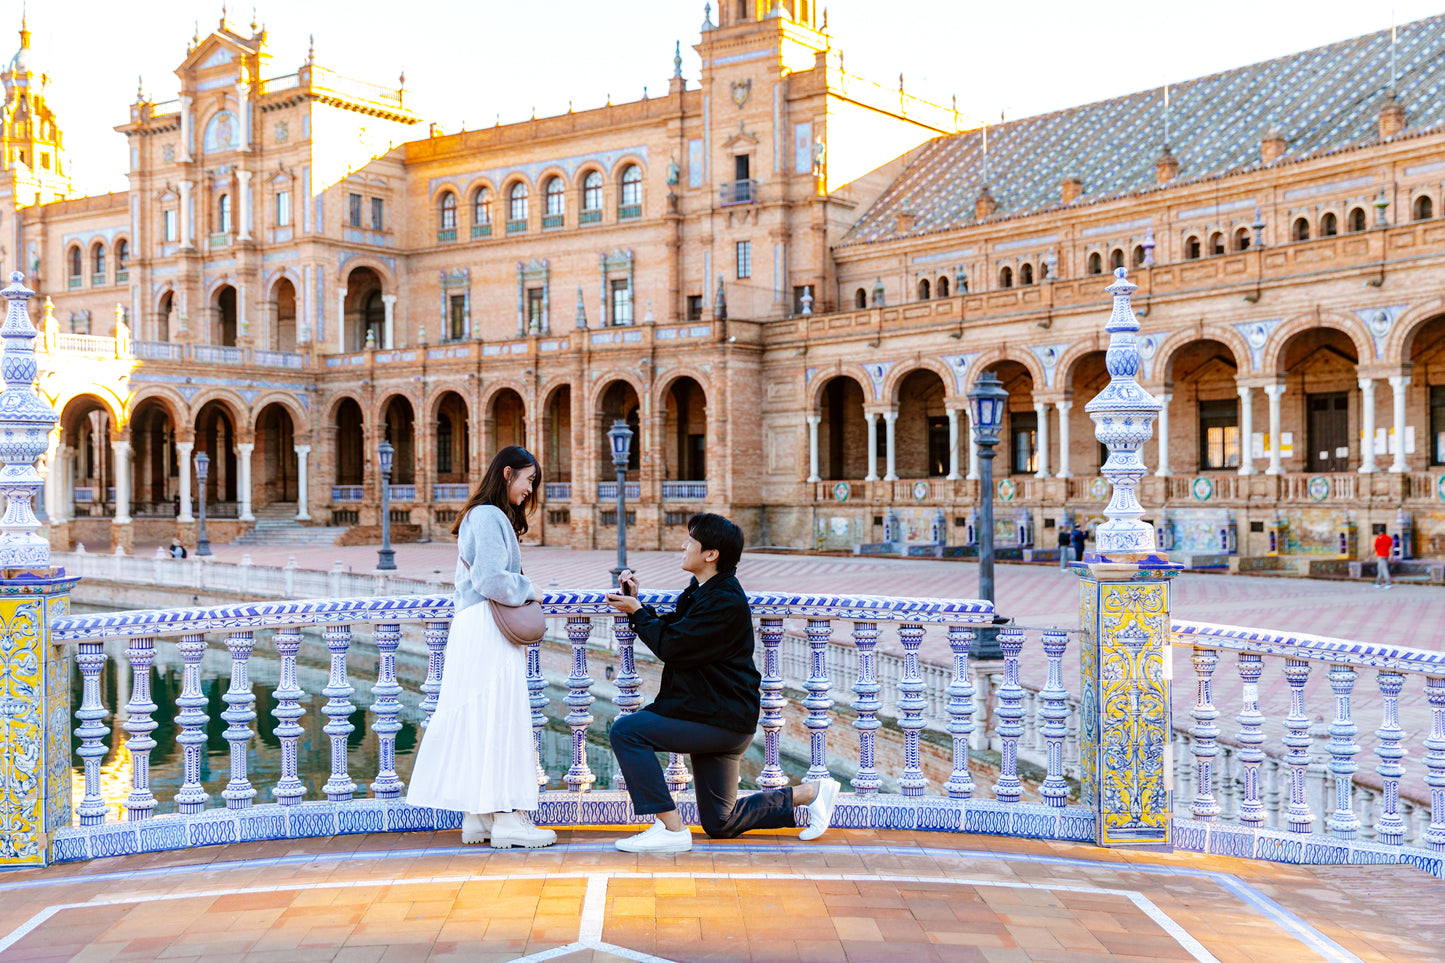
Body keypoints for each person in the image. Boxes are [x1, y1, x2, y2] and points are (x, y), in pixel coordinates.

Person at [604, 513, 841, 853]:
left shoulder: (724, 600)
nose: (684, 547)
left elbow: (673, 646)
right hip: (714, 716)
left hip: (717, 720)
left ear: (710, 554)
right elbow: (679, 631)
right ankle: (811, 793)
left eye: (691, 541)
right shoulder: (705, 591)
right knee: (721, 823)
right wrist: (639, 605)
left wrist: (639, 614)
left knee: (626, 731)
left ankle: (671, 829)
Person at [406, 445, 557, 849]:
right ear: (507, 473)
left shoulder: (481, 516)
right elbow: (490, 579)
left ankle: (478, 816)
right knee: (501, 718)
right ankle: (507, 817)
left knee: (481, 719)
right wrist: (530, 589)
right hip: (488, 629)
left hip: (473, 626)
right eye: (528, 480)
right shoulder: (489, 515)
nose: (530, 490)